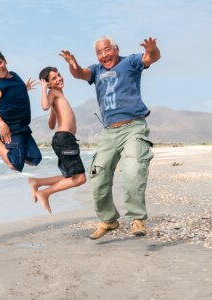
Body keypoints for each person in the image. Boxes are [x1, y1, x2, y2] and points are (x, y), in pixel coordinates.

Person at [60, 36, 160, 239]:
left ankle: (137, 219)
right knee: (98, 174)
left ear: (116, 49)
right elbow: (80, 73)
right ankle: (109, 219)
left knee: (132, 170)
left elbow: (150, 58)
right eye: (99, 52)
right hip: (108, 132)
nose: (104, 55)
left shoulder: (129, 62)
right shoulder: (96, 70)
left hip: (133, 127)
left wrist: (152, 49)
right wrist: (73, 64)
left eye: (107, 50)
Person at [28, 67, 86, 213]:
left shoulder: (58, 94)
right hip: (64, 139)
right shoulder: (52, 92)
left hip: (64, 139)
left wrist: (54, 111)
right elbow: (44, 106)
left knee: (71, 176)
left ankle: (38, 182)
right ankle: (44, 192)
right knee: (80, 179)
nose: (59, 78)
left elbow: (51, 125)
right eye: (53, 78)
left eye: (58, 75)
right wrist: (44, 89)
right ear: (48, 84)